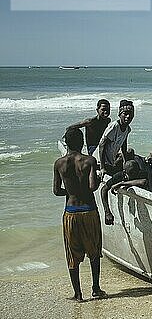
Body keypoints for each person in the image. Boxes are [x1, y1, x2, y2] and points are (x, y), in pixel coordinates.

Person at [53, 128, 107, 301]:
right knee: (94, 251)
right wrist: (98, 178)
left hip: (71, 212)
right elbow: (92, 187)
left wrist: (70, 191)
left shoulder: (59, 163)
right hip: (89, 210)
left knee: (72, 254)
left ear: (67, 143)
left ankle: (77, 294)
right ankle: (96, 289)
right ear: (82, 142)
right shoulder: (89, 161)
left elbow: (56, 191)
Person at [97, 100, 135, 177]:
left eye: (130, 114)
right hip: (100, 161)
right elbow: (102, 145)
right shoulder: (114, 127)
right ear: (119, 114)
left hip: (111, 161)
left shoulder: (128, 129)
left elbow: (124, 144)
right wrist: (102, 167)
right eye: (125, 114)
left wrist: (125, 161)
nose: (128, 117)